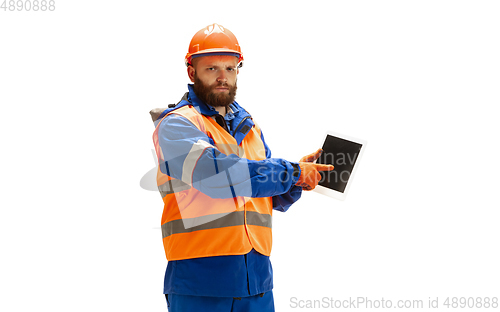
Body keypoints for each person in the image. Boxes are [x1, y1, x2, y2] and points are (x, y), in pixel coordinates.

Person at [150, 23, 334, 312]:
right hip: (201, 284)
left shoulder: (250, 127)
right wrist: (292, 172)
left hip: (257, 281)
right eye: (212, 69)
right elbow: (219, 176)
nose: (223, 77)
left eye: (230, 68)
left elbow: (261, 194)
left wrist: (299, 179)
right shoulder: (176, 125)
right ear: (191, 72)